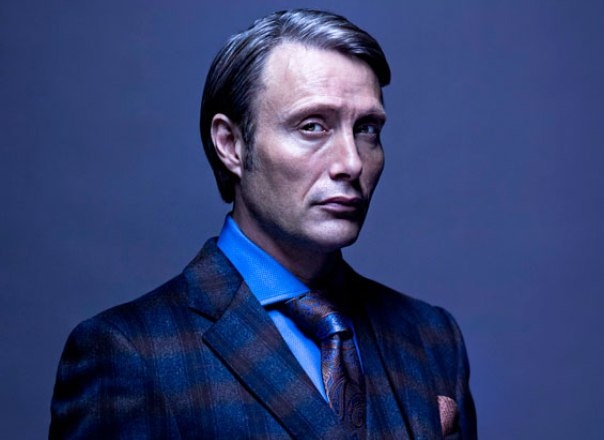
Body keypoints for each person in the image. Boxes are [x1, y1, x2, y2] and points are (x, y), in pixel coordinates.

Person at [50, 9, 477, 439]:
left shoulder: (431, 337)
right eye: (313, 126)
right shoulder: (131, 354)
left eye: (367, 129)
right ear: (231, 145)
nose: (351, 162)